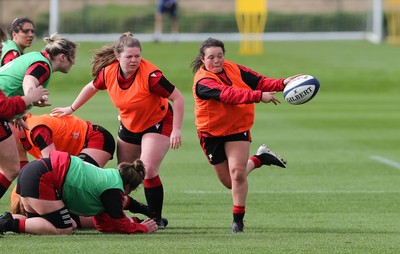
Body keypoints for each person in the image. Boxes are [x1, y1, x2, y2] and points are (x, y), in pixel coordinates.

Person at [51, 32, 184, 229]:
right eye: (129, 56)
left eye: (137, 56)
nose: (134, 60)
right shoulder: (109, 72)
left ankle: (156, 218)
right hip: (130, 123)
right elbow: (91, 87)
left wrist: (177, 129)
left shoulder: (151, 76)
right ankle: (117, 215)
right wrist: (71, 108)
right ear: (118, 55)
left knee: (148, 170)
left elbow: (178, 97)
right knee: (123, 175)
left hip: (158, 121)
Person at [191, 37, 299, 233]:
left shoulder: (233, 68)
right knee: (228, 182)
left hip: (237, 127)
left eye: (220, 56)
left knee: (238, 174)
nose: (217, 61)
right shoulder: (203, 82)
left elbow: (259, 81)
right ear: (202, 59)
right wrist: (259, 96)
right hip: (211, 133)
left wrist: (283, 83)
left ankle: (238, 220)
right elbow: (228, 95)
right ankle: (260, 158)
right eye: (211, 57)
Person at [0, 150, 158, 235]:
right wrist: (142, 228)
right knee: (65, 229)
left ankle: (6, 220)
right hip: (42, 177)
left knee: (39, 224)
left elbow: (103, 224)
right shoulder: (113, 190)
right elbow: (119, 222)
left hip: (35, 170)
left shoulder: (108, 177)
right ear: (128, 187)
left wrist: (143, 213)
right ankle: (6, 223)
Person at [0, 33, 78, 202]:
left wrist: (17, 113)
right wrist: (30, 96)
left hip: (4, 112)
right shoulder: (44, 65)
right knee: (10, 169)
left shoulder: (36, 57)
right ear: (63, 57)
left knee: (10, 168)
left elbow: (11, 85)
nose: (74, 62)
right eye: (73, 58)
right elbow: (28, 80)